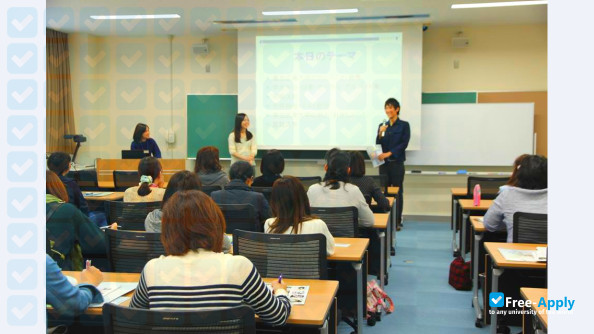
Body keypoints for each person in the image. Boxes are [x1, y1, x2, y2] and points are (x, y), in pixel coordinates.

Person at [129, 190, 291, 326]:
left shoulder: (152, 269)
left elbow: (132, 318)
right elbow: (278, 317)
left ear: (167, 229)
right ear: (215, 224)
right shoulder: (238, 266)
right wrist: (281, 291)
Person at [144, 170, 232, 252]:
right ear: (198, 195)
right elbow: (226, 245)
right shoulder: (204, 221)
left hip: (164, 267)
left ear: (168, 192)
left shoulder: (152, 219)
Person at [46, 171, 107, 271]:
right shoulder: (67, 211)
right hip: (60, 273)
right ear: (58, 189)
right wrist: (111, 234)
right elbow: (99, 244)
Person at [483, 155, 548, 242]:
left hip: (515, 254)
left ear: (519, 174)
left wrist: (509, 223)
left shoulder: (507, 195)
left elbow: (490, 225)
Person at [265, 176, 335, 255]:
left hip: (277, 267)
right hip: (309, 267)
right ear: (303, 197)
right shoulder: (318, 224)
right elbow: (329, 251)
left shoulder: (269, 224)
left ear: (274, 201)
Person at [307, 150, 374, 228]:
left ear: (326, 168)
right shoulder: (354, 190)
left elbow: (304, 219)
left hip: (321, 239)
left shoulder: (312, 189)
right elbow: (369, 222)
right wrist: (352, 222)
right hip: (348, 240)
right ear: (348, 170)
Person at [47, 152, 107, 227]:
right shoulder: (70, 183)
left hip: (51, 222)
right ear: (68, 166)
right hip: (72, 223)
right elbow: (83, 208)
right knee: (103, 215)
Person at [376, 98, 410, 230]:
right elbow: (377, 144)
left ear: (397, 109)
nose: (388, 110)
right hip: (383, 164)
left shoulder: (404, 125)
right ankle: (385, 219)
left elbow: (403, 144)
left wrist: (389, 153)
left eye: (390, 108)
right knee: (383, 192)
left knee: (397, 191)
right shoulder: (382, 125)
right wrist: (380, 132)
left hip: (396, 163)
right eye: (386, 108)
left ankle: (397, 221)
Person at [211, 161, 271, 227]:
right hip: (250, 237)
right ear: (250, 179)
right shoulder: (258, 198)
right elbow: (267, 222)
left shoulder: (215, 196)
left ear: (229, 178)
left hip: (223, 236)